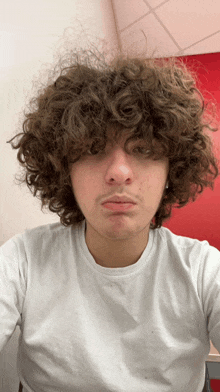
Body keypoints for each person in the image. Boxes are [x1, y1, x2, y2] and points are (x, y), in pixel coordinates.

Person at [1, 47, 219, 392]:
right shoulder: (22, 260)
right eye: (92, 149)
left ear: (170, 171)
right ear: (63, 169)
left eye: (144, 150)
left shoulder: (205, 271)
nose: (118, 172)